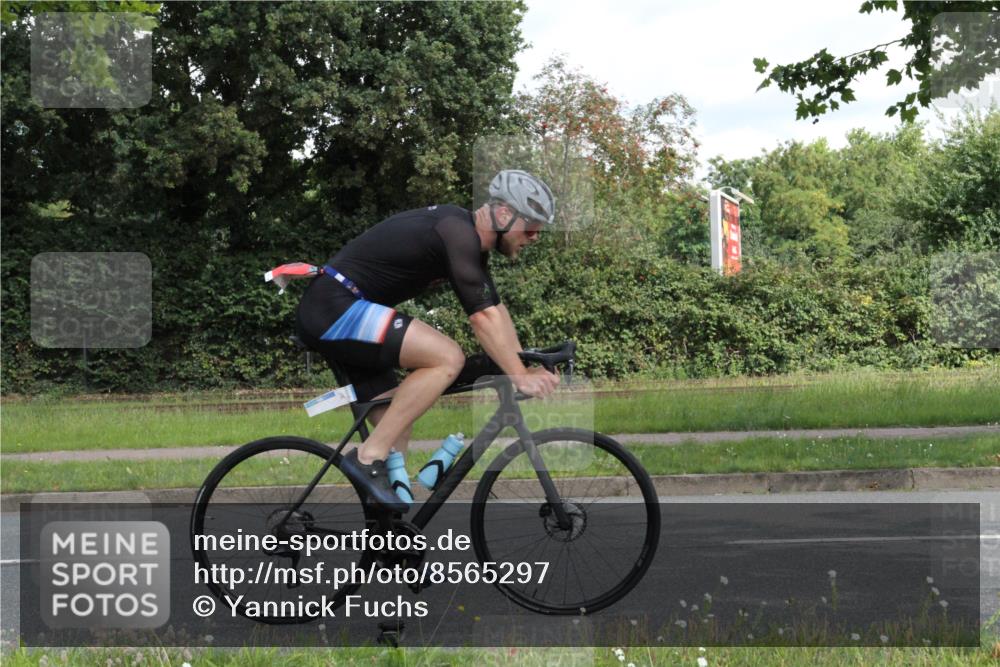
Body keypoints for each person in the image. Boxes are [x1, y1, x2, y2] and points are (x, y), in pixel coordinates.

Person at [295, 170, 561, 512]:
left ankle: (389, 544)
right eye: (532, 226)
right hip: (334, 308)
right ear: (504, 214)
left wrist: (522, 362)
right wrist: (520, 375)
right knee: (447, 357)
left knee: (396, 439)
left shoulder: (467, 241)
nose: (535, 236)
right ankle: (365, 458)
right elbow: (482, 319)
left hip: (343, 310)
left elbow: (496, 310)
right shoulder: (457, 232)